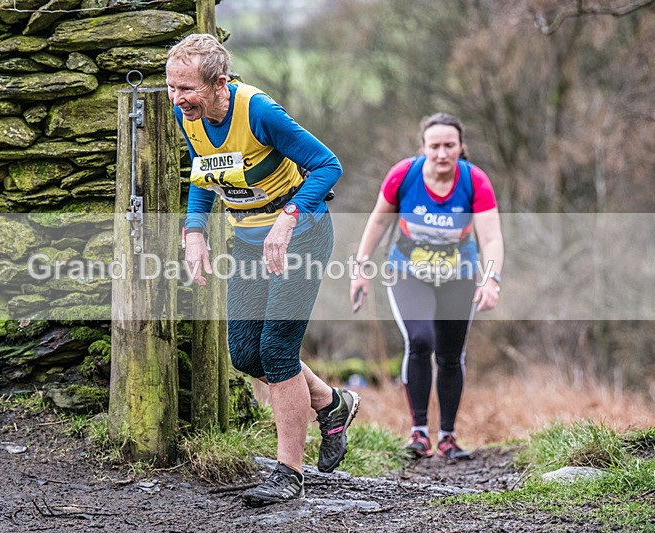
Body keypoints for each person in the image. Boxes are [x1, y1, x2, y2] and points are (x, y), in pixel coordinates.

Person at [166, 34, 360, 506]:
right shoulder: (186, 115)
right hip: (249, 239)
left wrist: (289, 217)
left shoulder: (258, 113)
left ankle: (288, 473)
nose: (177, 98)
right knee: (245, 355)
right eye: (171, 87)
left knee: (276, 349)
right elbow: (203, 173)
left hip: (302, 235)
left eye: (186, 88)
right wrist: (194, 232)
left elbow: (327, 166)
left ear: (218, 83)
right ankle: (334, 405)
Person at [350, 113, 503, 460]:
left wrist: (491, 278)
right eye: (434, 146)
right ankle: (418, 433)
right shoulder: (404, 176)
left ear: (461, 147)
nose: (442, 153)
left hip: (458, 276)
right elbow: (377, 222)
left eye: (450, 145)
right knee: (420, 340)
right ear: (423, 148)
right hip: (407, 272)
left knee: (450, 355)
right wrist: (359, 268)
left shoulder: (474, 181)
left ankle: (447, 436)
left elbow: (491, 238)